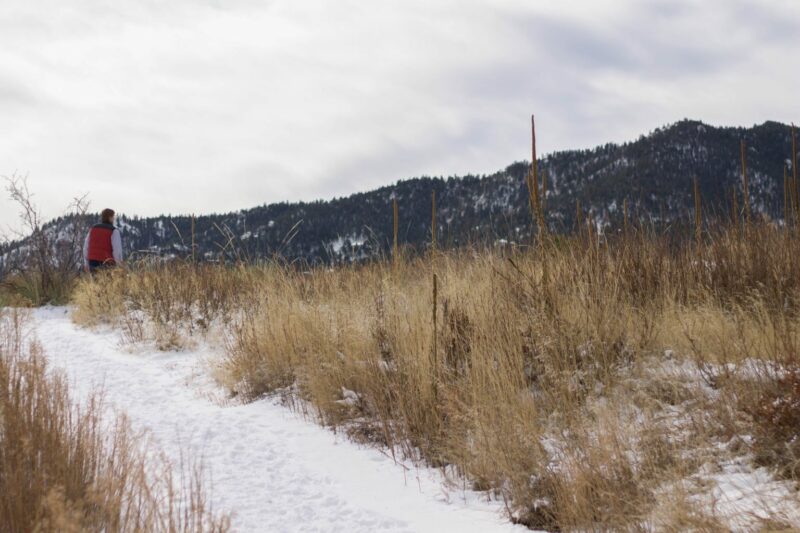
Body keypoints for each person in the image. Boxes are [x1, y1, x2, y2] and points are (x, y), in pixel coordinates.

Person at [83, 208, 124, 274]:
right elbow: (117, 250)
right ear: (110, 217)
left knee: (95, 283)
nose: (114, 218)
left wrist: (86, 263)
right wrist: (120, 265)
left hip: (92, 262)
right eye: (113, 216)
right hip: (107, 263)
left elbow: (86, 247)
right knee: (107, 283)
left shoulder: (93, 229)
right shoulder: (114, 231)